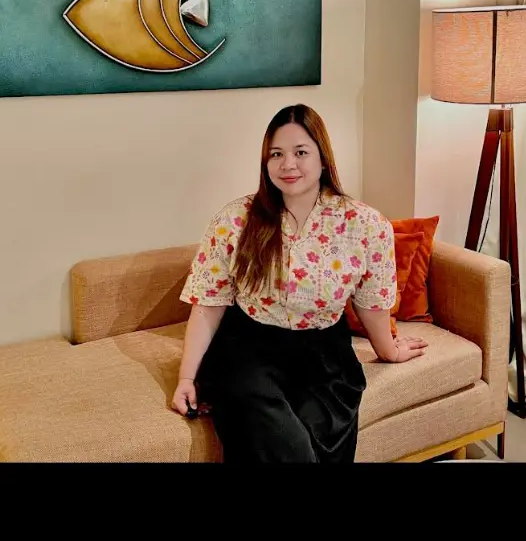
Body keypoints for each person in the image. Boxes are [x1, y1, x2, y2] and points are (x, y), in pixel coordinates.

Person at [172, 103, 428, 463]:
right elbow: (208, 305)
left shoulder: (366, 225)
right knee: (290, 449)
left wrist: (389, 350)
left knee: (317, 446)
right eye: (276, 154)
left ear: (323, 159)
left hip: (325, 358)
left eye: (301, 152)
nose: (287, 164)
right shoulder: (235, 220)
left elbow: (370, 305)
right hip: (248, 351)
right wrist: (186, 377)